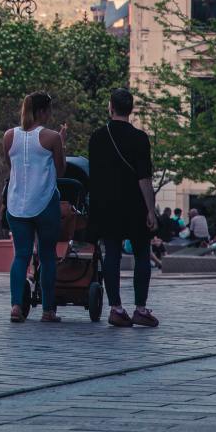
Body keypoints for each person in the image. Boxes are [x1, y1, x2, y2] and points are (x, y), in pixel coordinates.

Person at [88, 88, 160, 328]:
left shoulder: (97, 137)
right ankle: (141, 308)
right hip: (134, 204)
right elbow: (144, 177)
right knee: (141, 253)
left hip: (107, 205)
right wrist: (151, 210)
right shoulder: (140, 138)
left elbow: (94, 176)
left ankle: (116, 308)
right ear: (131, 109)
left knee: (112, 253)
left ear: (111, 107)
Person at [3, 92, 66, 324]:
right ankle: (48, 310)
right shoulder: (52, 137)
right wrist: (62, 142)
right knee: (48, 256)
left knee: (21, 255)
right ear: (42, 111)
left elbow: (12, 166)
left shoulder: (9, 136)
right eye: (49, 110)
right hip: (44, 202)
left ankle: (16, 306)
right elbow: (61, 171)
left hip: (17, 203)